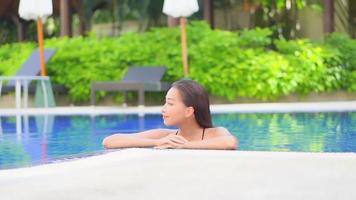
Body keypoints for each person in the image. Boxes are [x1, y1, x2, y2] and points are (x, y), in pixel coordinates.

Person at [102, 79, 238, 150]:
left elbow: (230, 142)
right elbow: (109, 141)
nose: (163, 109)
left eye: (170, 104)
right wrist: (157, 142)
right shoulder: (164, 136)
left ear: (189, 111)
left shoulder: (214, 133)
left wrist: (184, 146)